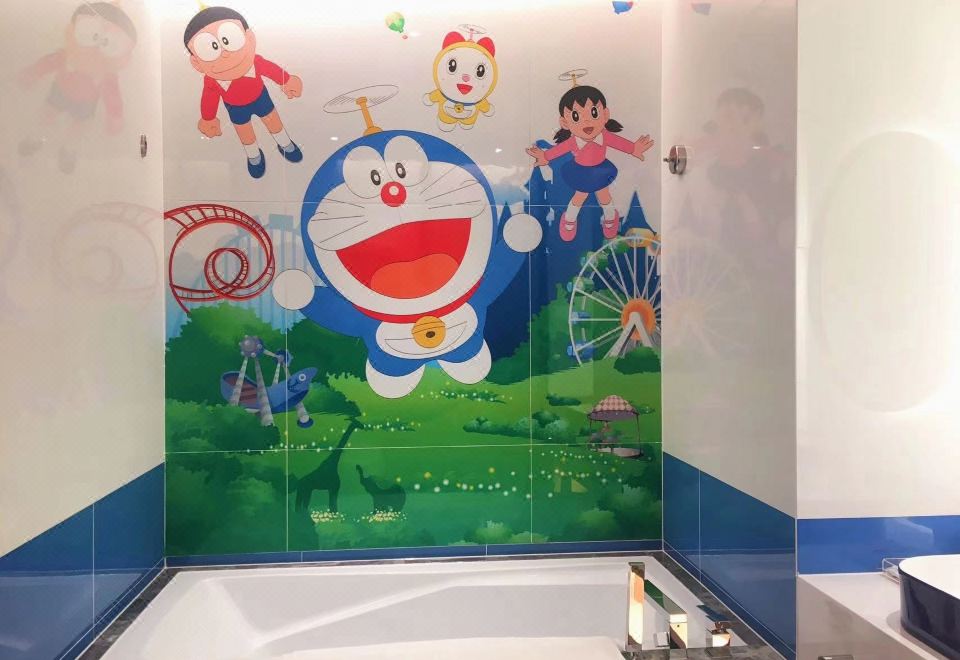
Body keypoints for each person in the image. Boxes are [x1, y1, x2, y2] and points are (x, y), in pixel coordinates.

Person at [183, 6, 303, 179]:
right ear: (197, 63)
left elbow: (271, 70)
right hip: (235, 108)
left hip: (261, 97)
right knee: (245, 133)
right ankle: (254, 156)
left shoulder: (256, 62)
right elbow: (209, 99)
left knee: (274, 122)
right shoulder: (212, 81)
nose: (224, 54)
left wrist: (286, 80)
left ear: (249, 38)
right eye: (211, 48)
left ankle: (284, 143)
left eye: (228, 40)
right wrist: (208, 118)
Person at [527, 85, 653, 241]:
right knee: (579, 196)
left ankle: (610, 217)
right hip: (580, 171)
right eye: (576, 116)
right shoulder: (573, 141)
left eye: (594, 113)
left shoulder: (605, 136)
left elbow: (619, 143)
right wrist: (545, 156)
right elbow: (558, 150)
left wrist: (634, 148)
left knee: (604, 195)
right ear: (565, 123)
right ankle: (570, 219)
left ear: (605, 115)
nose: (587, 121)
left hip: (600, 170)